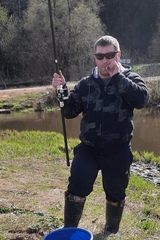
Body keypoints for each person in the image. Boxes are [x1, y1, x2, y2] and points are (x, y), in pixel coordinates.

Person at [52, 35, 149, 236]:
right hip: (89, 149)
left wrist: (117, 77)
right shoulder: (85, 84)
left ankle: (110, 231)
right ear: (95, 58)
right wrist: (61, 90)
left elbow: (141, 100)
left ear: (118, 55)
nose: (105, 61)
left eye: (109, 55)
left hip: (118, 150)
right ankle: (69, 230)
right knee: (77, 183)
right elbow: (69, 112)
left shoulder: (130, 78)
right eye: (100, 56)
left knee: (116, 192)